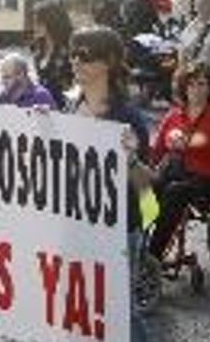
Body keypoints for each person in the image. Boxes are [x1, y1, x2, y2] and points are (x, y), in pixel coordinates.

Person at [66, 26, 151, 342]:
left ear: (108, 62)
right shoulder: (69, 107)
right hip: (76, 221)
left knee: (120, 312)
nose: (75, 61)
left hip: (119, 226)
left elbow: (146, 187)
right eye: (72, 53)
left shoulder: (128, 116)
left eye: (84, 55)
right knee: (79, 304)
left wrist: (129, 159)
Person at [148, 62, 210, 259]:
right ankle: (137, 243)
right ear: (183, 87)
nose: (196, 90)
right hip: (174, 171)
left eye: (202, 84)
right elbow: (156, 151)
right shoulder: (174, 115)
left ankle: (152, 257)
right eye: (191, 84)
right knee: (146, 188)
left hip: (207, 178)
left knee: (174, 192)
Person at [32, 3, 74, 108]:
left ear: (52, 22)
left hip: (63, 107)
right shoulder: (39, 49)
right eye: (34, 22)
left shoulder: (68, 50)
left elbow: (71, 85)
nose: (35, 27)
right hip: (41, 106)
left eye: (39, 23)